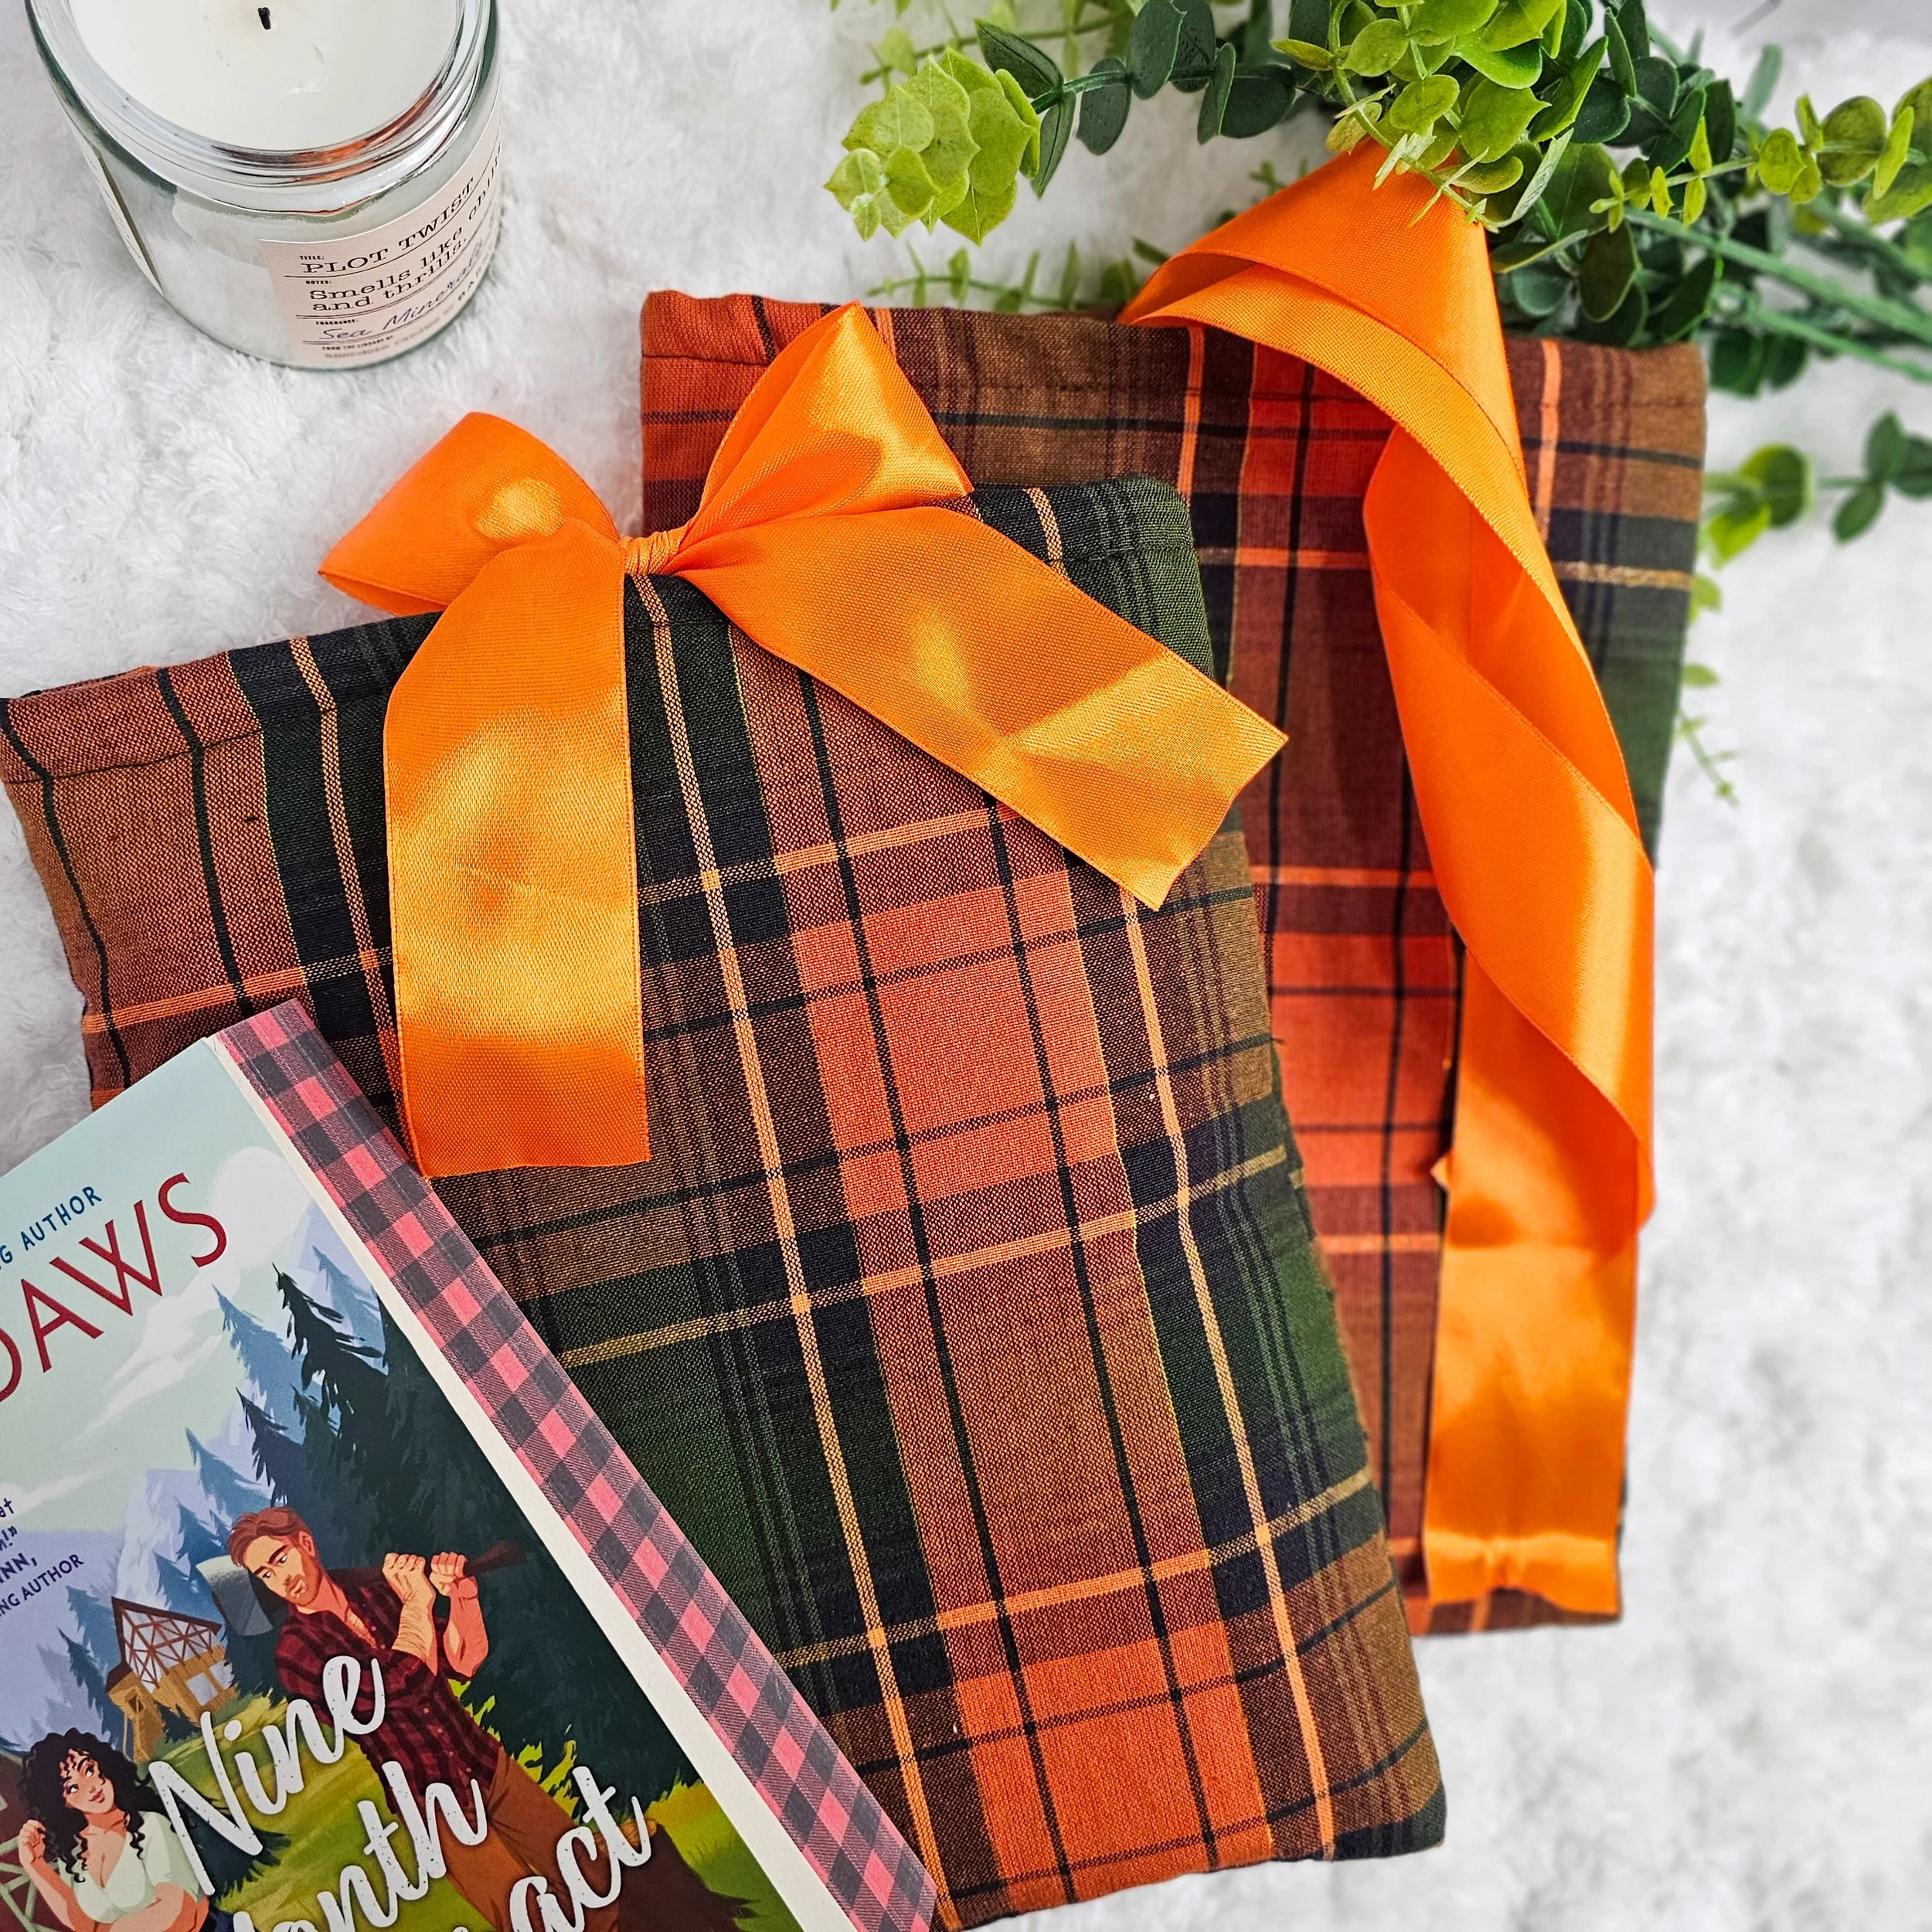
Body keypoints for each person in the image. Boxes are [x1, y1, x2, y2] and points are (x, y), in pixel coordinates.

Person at [226, 1507, 747, 1932]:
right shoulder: (298, 1653)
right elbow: (400, 1686)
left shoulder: (376, 1593)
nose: (282, 1579)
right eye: (266, 1574)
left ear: (306, 1543)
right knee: (526, 1915)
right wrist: (417, 1603)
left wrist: (461, 1596)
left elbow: (462, 1659)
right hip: (434, 1804)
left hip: (484, 1762)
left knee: (591, 1878)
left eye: (281, 1558)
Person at [17, 1732, 208, 1932]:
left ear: (102, 1765)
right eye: (73, 1788)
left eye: (89, 1770)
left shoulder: (150, 1826)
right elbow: (84, 1925)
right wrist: (35, 1865)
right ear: (63, 1802)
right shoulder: (73, 1853)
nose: (91, 1788)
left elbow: (180, 1913)